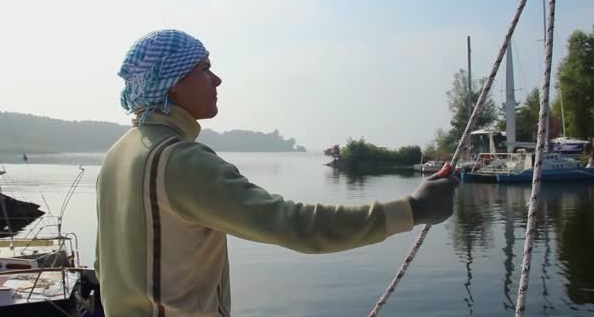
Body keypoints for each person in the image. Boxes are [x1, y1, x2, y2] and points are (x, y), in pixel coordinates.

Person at [95, 29, 460, 317]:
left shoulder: (116, 155)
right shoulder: (179, 162)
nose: (217, 79)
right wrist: (413, 209)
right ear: (174, 81)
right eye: (204, 68)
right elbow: (293, 225)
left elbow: (103, 263)